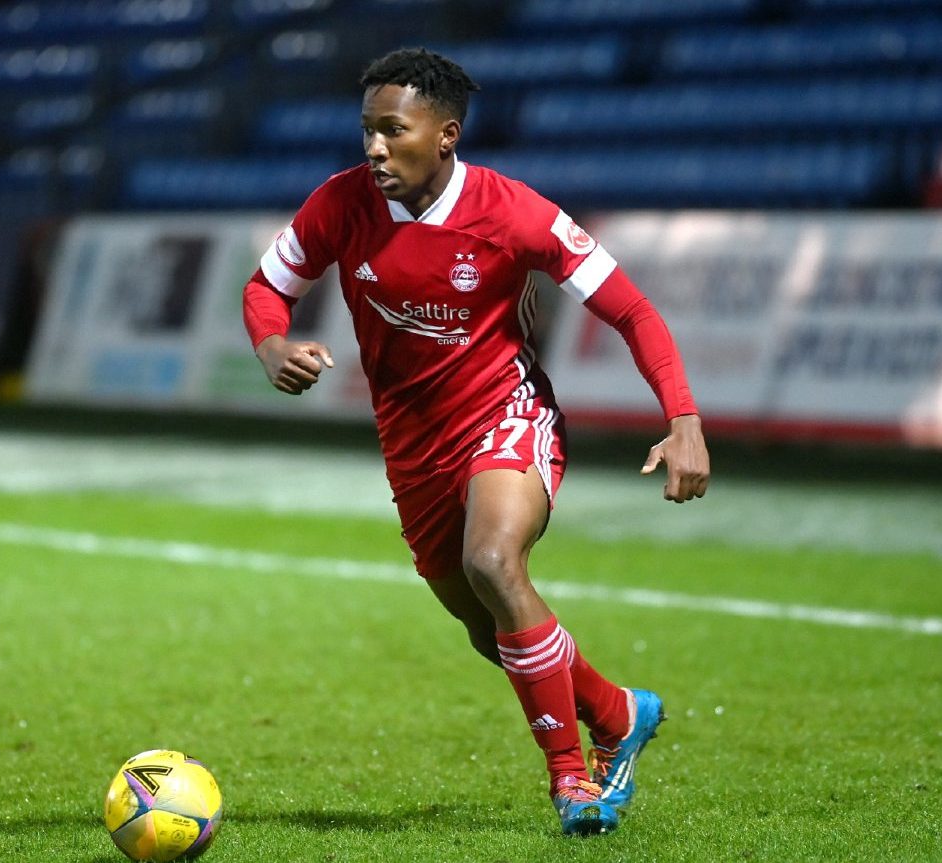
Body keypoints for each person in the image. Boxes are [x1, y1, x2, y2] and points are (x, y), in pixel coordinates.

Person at [241, 47, 710, 836]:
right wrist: (270, 345)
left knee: (492, 562)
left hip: (505, 412)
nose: (374, 148)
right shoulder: (340, 204)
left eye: (393, 130)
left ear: (447, 134)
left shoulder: (512, 212)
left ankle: (572, 782)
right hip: (411, 441)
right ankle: (617, 710)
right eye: (366, 131)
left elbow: (632, 310)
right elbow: (266, 288)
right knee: (482, 623)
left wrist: (683, 418)